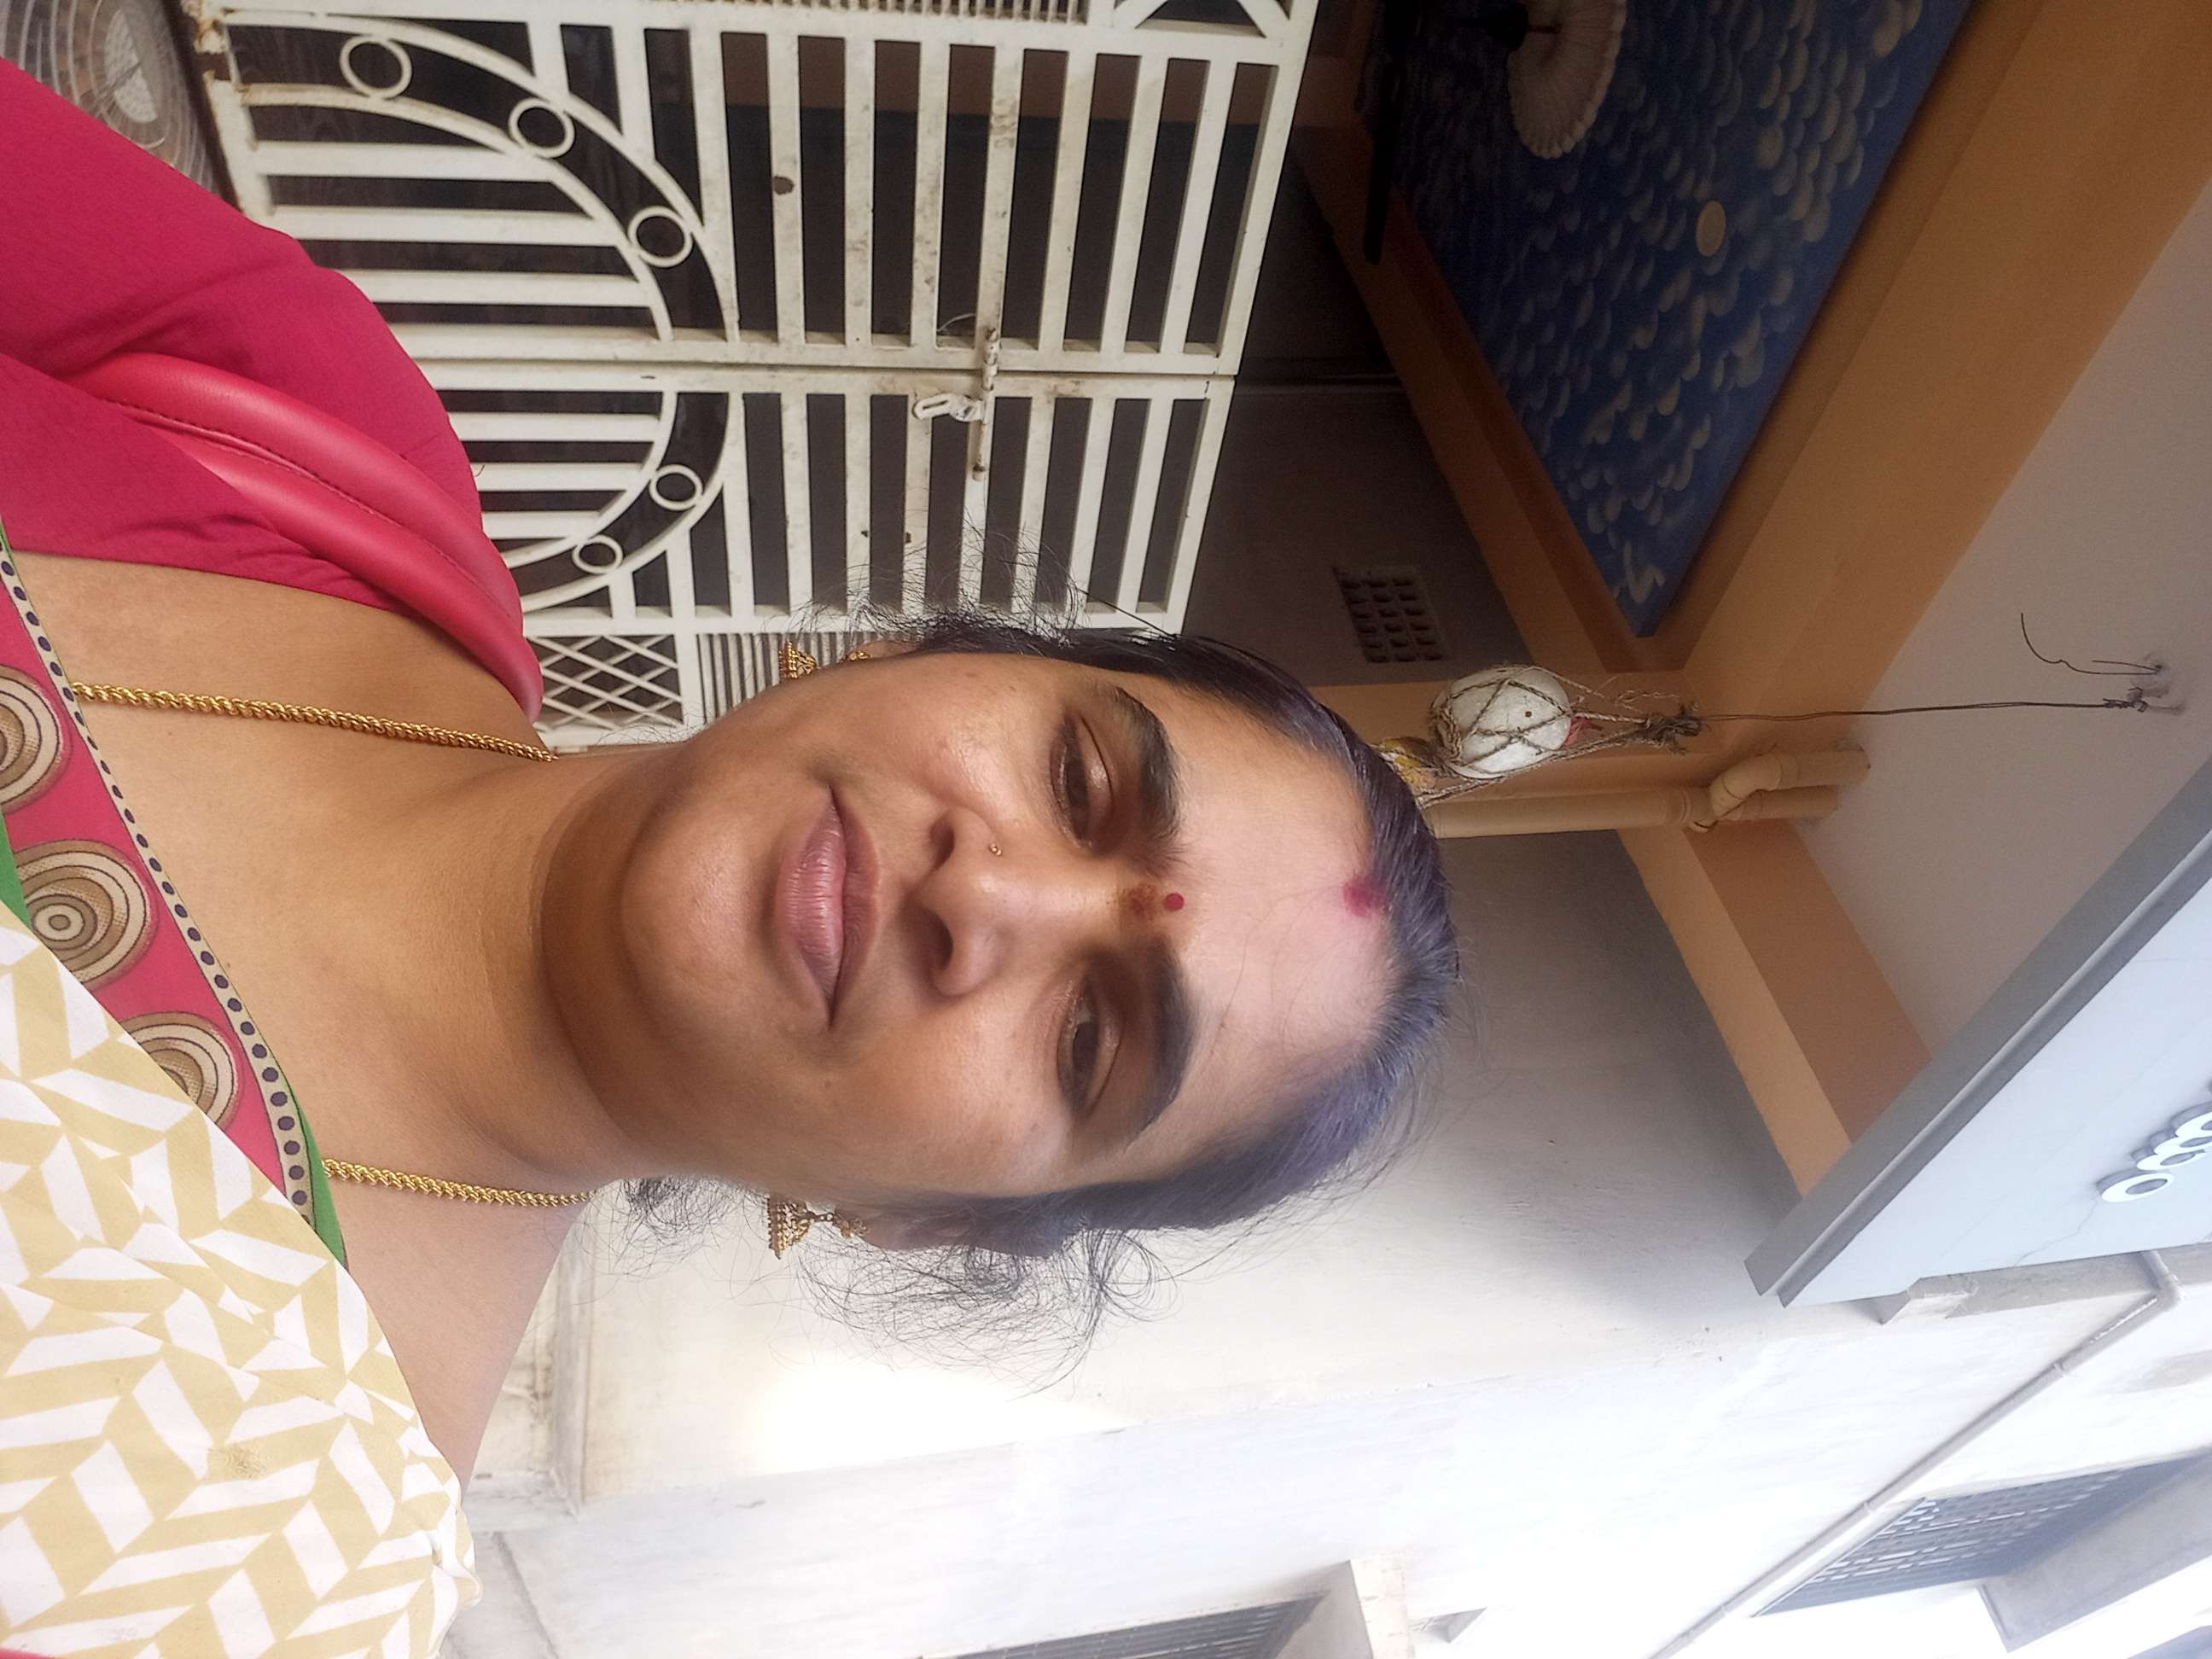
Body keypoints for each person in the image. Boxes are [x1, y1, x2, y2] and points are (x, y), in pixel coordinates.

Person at [0, 59, 1455, 1655]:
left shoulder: (266, 1543)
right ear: (919, 650)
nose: (984, 895)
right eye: (1078, 776)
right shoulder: (306, 434)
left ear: (935, 1223)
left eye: (1090, 1039)